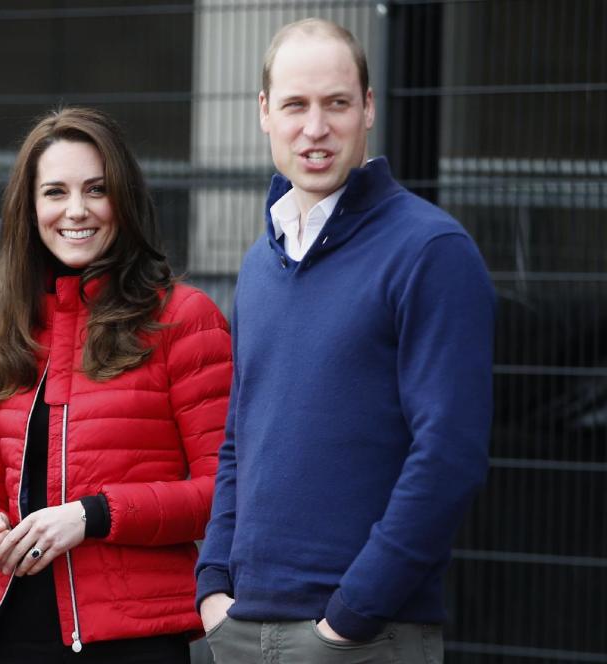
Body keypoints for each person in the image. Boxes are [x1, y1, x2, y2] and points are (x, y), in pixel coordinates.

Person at [195, 18, 495, 664]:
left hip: (361, 638)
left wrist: (353, 613)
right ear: (264, 113)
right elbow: (236, 440)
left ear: (368, 109)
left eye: (336, 103)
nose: (315, 128)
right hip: (240, 629)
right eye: (296, 106)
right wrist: (213, 583)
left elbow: (449, 454)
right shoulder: (259, 263)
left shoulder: (430, 251)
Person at [0, 107, 232, 663]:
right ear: (29, 210)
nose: (75, 210)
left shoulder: (184, 319)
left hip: (138, 637)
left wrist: (90, 516)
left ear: (122, 201)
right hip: (22, 634)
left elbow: (223, 493)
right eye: (54, 192)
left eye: (96, 190)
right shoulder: (0, 335)